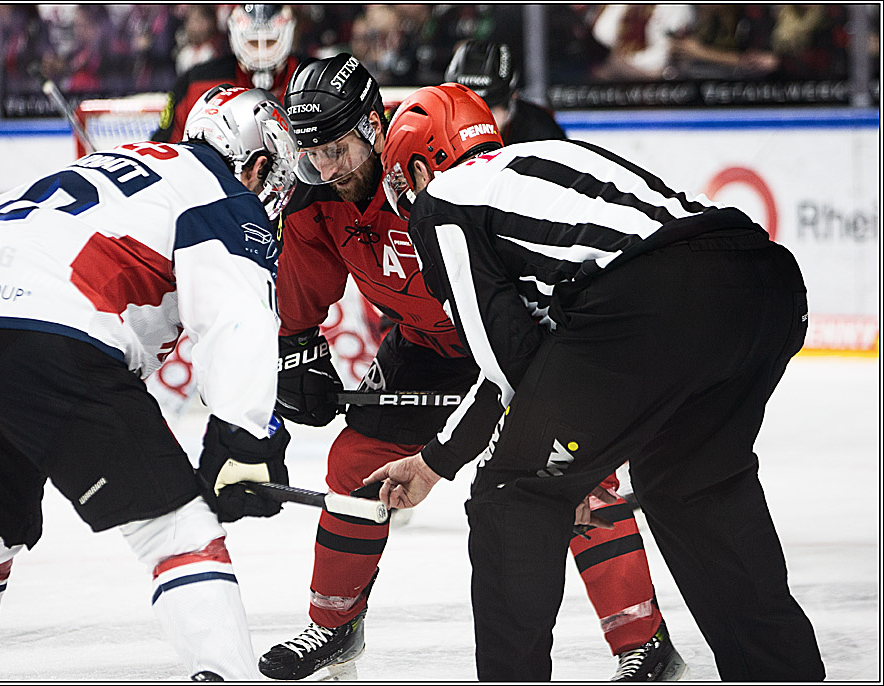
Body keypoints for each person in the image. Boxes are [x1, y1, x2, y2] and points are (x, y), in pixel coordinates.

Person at [369, 83, 826, 682]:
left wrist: (562, 471)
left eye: (401, 183)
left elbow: (506, 360)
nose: (403, 202)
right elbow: (540, 363)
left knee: (514, 497)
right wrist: (435, 462)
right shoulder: (544, 165)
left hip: (658, 301)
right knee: (692, 486)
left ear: (424, 164)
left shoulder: (445, 201)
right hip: (764, 285)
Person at [257, 53, 683, 682]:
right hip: (426, 347)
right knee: (355, 464)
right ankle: (334, 624)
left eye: (340, 148)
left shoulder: (428, 173)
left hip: (517, 337)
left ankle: (643, 641)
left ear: (375, 126)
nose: (327, 168)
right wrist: (299, 357)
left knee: (574, 473)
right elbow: (298, 303)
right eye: (313, 152)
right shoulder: (314, 200)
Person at [0, 86, 299, 681]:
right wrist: (245, 439)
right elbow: (236, 319)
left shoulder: (122, 165)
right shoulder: (221, 193)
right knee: (179, 530)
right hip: (49, 336)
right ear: (257, 157)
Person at [444, 39, 690, 680]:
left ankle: (643, 640)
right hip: (495, 325)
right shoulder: (444, 164)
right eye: (473, 101)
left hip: (564, 327)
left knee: (577, 472)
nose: (485, 116)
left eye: (494, 101)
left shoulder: (540, 137)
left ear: (515, 98)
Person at [151, 4, 300, 144]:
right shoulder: (196, 82)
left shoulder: (311, 77)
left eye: (270, 41)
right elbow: (164, 148)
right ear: (235, 36)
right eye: (252, 42)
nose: (261, 52)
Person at [445, 40, 567, 143]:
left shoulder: (541, 134)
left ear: (513, 97)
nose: (476, 123)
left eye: (488, 111)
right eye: (467, 110)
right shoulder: (438, 130)